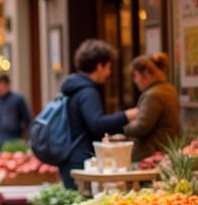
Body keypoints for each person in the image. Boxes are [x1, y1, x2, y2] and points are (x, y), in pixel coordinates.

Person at [58, 39, 129, 188]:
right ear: (100, 66)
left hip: (69, 157)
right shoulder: (88, 92)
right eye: (109, 67)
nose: (109, 73)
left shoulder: (74, 88)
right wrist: (127, 116)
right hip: (82, 160)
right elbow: (97, 123)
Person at [123, 53, 180, 161]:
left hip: (151, 154)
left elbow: (141, 128)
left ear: (146, 73)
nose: (135, 80)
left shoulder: (153, 95)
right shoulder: (169, 89)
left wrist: (121, 126)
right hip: (164, 151)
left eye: (135, 75)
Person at [0, 75, 32, 149]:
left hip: (16, 139)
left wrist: (26, 137)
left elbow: (27, 120)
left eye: (1, 85)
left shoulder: (18, 99)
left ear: (7, 85)